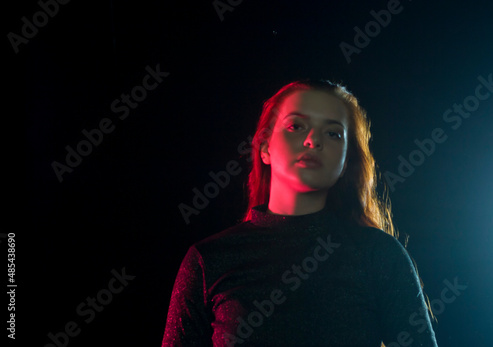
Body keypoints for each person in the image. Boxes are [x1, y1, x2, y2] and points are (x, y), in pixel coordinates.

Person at [161, 79, 439, 346]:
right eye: (296, 125)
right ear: (265, 148)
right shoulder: (208, 260)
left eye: (333, 133)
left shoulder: (379, 255)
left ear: (345, 161)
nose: (313, 140)